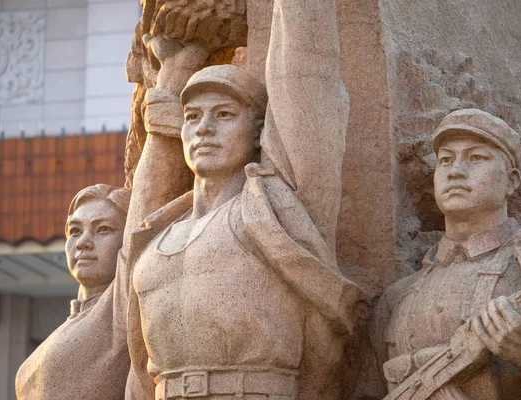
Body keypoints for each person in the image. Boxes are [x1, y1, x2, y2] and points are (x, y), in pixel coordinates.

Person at [122, 0, 364, 398]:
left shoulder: (272, 206)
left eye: (223, 114)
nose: (203, 128)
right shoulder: (155, 238)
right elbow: (138, 366)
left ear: (258, 133)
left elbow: (306, 70)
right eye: (192, 117)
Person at [375, 109, 521, 399]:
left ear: (512, 181)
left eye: (476, 157)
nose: (455, 171)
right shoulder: (396, 299)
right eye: (445, 160)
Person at [16, 184, 131, 400]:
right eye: (75, 231)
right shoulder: (67, 326)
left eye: (103, 229)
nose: (83, 243)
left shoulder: (120, 306)